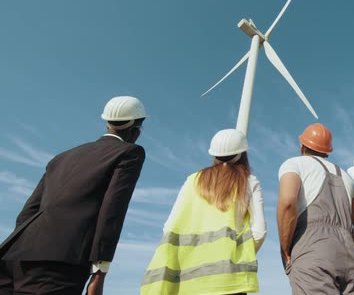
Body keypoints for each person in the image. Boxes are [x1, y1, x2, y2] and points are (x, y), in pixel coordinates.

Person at [0, 96, 148, 295]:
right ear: (136, 128)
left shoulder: (61, 157)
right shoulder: (130, 152)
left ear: (107, 123)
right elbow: (112, 211)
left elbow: (28, 211)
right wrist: (100, 272)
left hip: (14, 254)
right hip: (59, 260)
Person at [141, 128, 266, 295]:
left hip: (188, 279)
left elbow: (169, 226)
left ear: (213, 153)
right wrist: (241, 255)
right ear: (242, 153)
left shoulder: (192, 180)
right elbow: (259, 232)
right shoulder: (249, 182)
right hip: (229, 281)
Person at [277, 123, 354, 295]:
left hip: (312, 247)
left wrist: (285, 249)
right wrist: (348, 247)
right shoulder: (347, 177)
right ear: (328, 151)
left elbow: (288, 203)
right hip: (350, 255)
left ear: (302, 146)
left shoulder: (294, 164)